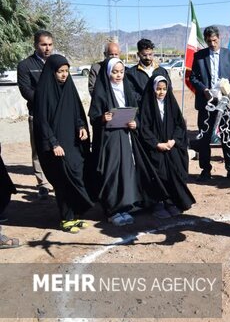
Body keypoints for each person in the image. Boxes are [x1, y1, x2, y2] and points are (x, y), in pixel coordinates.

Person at [89, 58, 168, 226]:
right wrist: (103, 118)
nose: (118, 75)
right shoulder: (101, 91)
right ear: (108, 72)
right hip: (109, 139)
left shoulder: (127, 89)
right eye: (114, 72)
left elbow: (136, 113)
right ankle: (112, 210)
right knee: (112, 172)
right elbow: (94, 116)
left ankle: (124, 207)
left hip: (126, 136)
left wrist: (135, 123)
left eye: (121, 72)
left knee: (125, 172)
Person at [33, 54, 94, 233]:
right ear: (52, 71)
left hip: (72, 142)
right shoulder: (43, 93)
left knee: (78, 175)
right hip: (55, 145)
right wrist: (53, 143)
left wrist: (81, 126)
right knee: (63, 180)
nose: (64, 75)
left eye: (66, 71)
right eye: (60, 71)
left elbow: (76, 111)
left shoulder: (69, 88)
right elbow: (42, 121)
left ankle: (75, 214)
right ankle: (65, 218)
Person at [189, 26, 230, 181]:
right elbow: (193, 78)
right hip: (207, 104)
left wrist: (229, 89)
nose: (212, 44)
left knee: (227, 136)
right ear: (205, 41)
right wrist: (204, 89)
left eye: (215, 40)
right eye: (209, 41)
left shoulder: (229, 55)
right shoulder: (199, 56)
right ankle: (205, 170)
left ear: (219, 38)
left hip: (224, 104)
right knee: (204, 137)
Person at [139, 75, 195, 218]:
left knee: (174, 172)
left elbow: (179, 124)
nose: (161, 92)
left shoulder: (171, 103)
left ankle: (171, 202)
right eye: (158, 89)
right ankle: (157, 203)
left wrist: (174, 141)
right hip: (155, 148)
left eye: (164, 89)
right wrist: (156, 144)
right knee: (159, 174)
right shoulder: (147, 105)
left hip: (171, 146)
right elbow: (144, 128)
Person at [17, 30, 54, 199]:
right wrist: (45, 102)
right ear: (35, 45)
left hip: (57, 114)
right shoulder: (25, 65)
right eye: (43, 44)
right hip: (37, 114)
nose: (47, 48)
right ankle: (43, 184)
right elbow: (26, 91)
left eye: (50, 44)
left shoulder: (56, 63)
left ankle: (58, 179)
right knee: (39, 149)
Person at [125, 38, 170, 106]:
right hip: (142, 111)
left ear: (153, 53)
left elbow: (169, 89)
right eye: (144, 55)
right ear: (138, 54)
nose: (148, 58)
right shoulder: (131, 73)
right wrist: (148, 100)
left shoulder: (162, 71)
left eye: (150, 54)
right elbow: (131, 93)